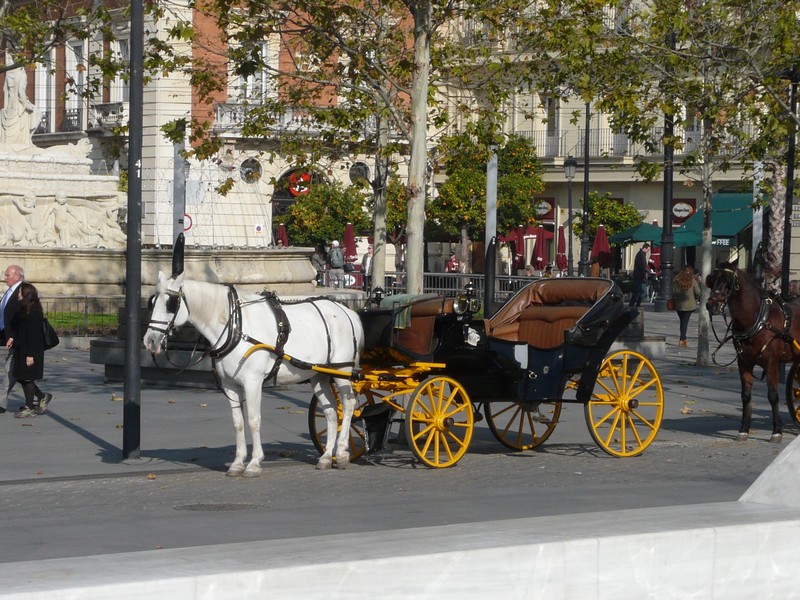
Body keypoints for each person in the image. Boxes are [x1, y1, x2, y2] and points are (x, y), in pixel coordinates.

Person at [12, 282, 52, 418]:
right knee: (21, 377)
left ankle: (29, 406)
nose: (18, 294)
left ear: (26, 294)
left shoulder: (34, 311)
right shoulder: (24, 309)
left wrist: (30, 355)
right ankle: (42, 397)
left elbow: (34, 336)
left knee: (27, 378)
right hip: (22, 349)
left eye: (20, 292)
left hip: (31, 351)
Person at [0, 264, 23, 414]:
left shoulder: (23, 290)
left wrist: (13, 336)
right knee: (16, 371)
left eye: (7, 275)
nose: (5, 278)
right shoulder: (9, 291)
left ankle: (1, 403)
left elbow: (22, 317)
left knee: (10, 369)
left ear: (17, 276)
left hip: (14, 338)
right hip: (3, 334)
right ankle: (40, 396)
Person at [673, 264, 701, 348]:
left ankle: (683, 338)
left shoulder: (677, 280)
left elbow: (673, 291)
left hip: (679, 305)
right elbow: (698, 292)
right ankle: (682, 340)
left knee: (682, 322)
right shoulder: (692, 280)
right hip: (689, 305)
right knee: (684, 322)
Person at [629, 242, 650, 307]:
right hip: (640, 276)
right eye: (648, 249)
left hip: (639, 276)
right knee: (642, 291)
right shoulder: (641, 255)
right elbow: (642, 266)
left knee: (637, 291)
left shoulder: (641, 254)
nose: (648, 251)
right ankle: (636, 304)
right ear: (645, 248)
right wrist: (648, 271)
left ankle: (633, 304)